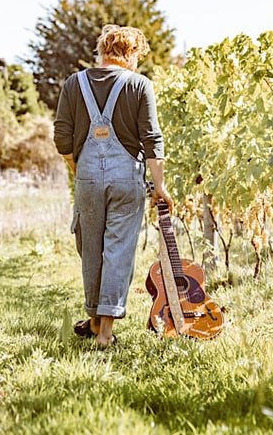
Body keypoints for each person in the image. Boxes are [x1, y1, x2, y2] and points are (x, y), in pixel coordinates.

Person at [53, 24, 173, 347]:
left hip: (88, 177)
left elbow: (62, 138)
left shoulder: (73, 84)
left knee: (90, 247)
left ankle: (94, 318)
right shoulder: (140, 85)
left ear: (102, 50)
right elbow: (152, 140)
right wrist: (159, 186)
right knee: (118, 249)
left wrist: (79, 167)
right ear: (131, 54)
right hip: (126, 180)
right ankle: (103, 331)